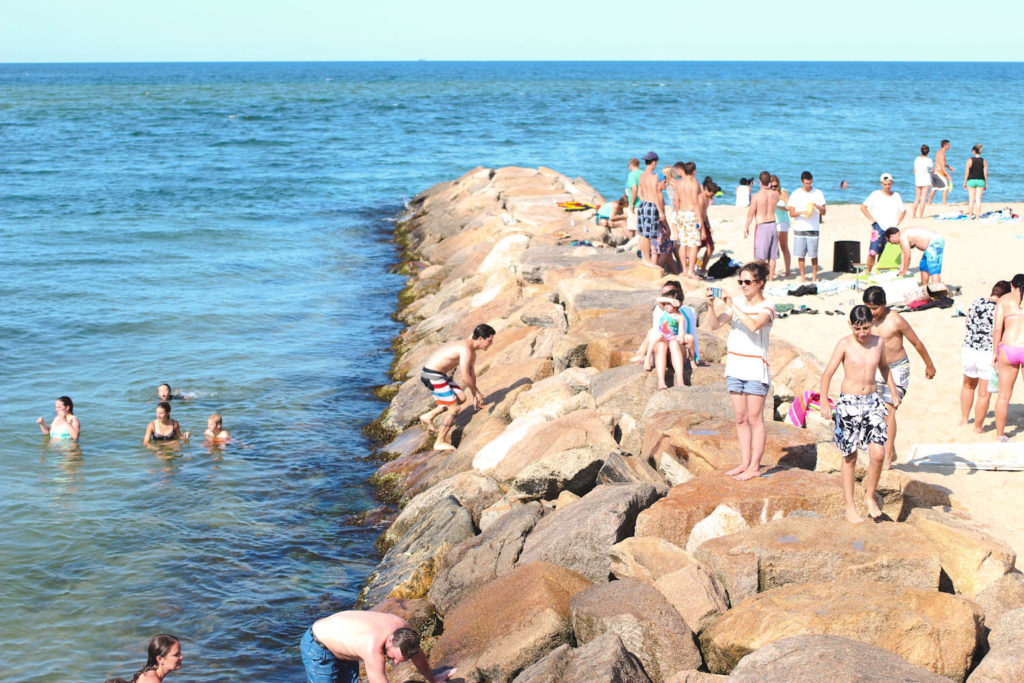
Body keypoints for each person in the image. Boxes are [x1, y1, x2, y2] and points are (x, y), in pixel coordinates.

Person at [819, 306, 899, 524]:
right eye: (857, 329)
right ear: (850, 325)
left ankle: (869, 496)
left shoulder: (878, 343)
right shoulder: (844, 344)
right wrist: (825, 401)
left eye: (865, 328)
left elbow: (884, 368)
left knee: (879, 453)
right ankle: (850, 506)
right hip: (849, 403)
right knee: (850, 456)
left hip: (872, 401)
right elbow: (827, 375)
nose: (862, 333)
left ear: (872, 324)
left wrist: (892, 391)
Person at [705, 261, 774, 481]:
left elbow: (754, 326)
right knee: (740, 418)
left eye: (747, 282)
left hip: (755, 368)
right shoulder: (738, 306)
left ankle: (754, 465)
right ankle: (745, 461)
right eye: (740, 281)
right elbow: (714, 326)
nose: (743, 285)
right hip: (735, 366)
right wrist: (710, 306)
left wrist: (734, 306)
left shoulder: (767, 307)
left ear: (760, 283)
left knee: (755, 418)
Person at [863, 286, 936, 467]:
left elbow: (916, 343)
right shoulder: (865, 319)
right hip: (877, 369)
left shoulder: (895, 320)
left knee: (889, 410)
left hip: (897, 368)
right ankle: (891, 449)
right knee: (876, 411)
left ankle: (886, 457)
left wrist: (929, 364)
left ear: (884, 304)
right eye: (868, 308)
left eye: (875, 308)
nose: (871, 313)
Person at [301, 610, 454, 683]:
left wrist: (433, 680)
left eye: (399, 660)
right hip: (319, 647)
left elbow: (418, 656)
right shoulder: (371, 647)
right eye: (393, 657)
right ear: (390, 640)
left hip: (344, 645)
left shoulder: (405, 631)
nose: (394, 663)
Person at [418, 324, 495, 451]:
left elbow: (471, 374)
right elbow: (464, 376)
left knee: (461, 397)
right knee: (454, 408)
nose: (491, 343)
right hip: (433, 375)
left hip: (439, 375)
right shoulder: (466, 349)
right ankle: (439, 442)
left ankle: (429, 416)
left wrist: (475, 394)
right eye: (489, 340)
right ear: (480, 339)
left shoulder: (471, 350)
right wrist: (476, 392)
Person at [961, 281, 1011, 432]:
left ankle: (964, 419)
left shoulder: (976, 301)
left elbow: (966, 323)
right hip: (987, 353)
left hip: (969, 349)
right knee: (983, 394)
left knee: (968, 385)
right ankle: (977, 427)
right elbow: (1000, 332)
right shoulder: (1000, 309)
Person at [993, 274, 1024, 442]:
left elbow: (997, 329)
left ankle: (1000, 434)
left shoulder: (1005, 299)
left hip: (1009, 348)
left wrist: (994, 353)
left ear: (1012, 286)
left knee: (1004, 395)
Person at [861, 173, 906, 274]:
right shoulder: (875, 194)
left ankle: (879, 271)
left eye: (889, 184)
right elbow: (863, 207)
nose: (887, 186)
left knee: (886, 252)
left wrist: (897, 223)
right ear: (881, 183)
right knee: (873, 251)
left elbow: (903, 211)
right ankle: (868, 271)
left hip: (891, 229)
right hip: (878, 227)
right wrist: (873, 220)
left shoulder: (896, 195)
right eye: (885, 184)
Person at [787, 171, 826, 282]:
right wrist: (802, 212)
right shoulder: (796, 194)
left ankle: (814, 276)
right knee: (801, 254)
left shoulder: (818, 193)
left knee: (813, 254)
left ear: (812, 181)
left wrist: (816, 206)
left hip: (813, 228)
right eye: (806, 184)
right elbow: (791, 213)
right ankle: (803, 276)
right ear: (802, 182)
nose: (808, 186)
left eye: (809, 183)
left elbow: (824, 212)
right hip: (800, 227)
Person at [651, 295, 696, 390]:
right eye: (665, 304)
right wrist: (670, 300)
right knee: (660, 344)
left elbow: (681, 333)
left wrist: (679, 337)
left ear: (676, 305)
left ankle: (680, 380)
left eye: (669, 304)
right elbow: (658, 300)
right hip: (663, 344)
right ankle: (661, 382)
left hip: (673, 345)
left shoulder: (680, 317)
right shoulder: (665, 311)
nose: (666, 306)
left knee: (673, 343)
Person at [743, 171, 780, 280]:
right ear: (769, 181)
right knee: (772, 257)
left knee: (760, 257)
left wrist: (746, 226)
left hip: (762, 225)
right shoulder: (775, 194)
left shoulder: (756, 196)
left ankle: (760, 277)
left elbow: (751, 213)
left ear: (759, 181)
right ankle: (771, 277)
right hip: (773, 224)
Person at [635, 151, 668, 269]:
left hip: (642, 205)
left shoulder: (641, 176)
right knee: (648, 235)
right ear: (654, 163)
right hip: (651, 206)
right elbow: (655, 195)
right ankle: (648, 260)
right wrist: (661, 212)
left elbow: (639, 193)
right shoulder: (654, 177)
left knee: (642, 233)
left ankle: (644, 258)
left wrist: (644, 201)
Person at [670, 161, 702, 277]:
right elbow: (695, 201)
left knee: (682, 243)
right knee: (693, 244)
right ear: (694, 171)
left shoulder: (678, 183)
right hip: (691, 214)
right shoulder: (693, 182)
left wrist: (677, 215)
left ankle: (684, 269)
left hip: (681, 214)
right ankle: (691, 271)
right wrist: (700, 219)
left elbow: (676, 201)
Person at [697, 179, 721, 274]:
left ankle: (702, 268)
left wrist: (709, 226)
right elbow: (699, 216)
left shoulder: (707, 199)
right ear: (707, 189)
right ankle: (690, 267)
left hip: (704, 224)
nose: (712, 196)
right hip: (699, 225)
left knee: (710, 247)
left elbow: (705, 214)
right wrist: (702, 230)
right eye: (711, 194)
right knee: (696, 248)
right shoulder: (700, 199)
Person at [771, 175, 792, 279]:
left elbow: (789, 207)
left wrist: (777, 206)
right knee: (772, 248)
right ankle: (771, 271)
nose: (774, 188)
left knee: (784, 246)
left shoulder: (782, 192)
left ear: (779, 184)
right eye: (772, 186)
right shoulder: (769, 193)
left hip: (782, 221)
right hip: (772, 221)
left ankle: (788, 270)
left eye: (775, 186)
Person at [964, 143, 988, 220]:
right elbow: (985, 173)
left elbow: (967, 173)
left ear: (974, 151)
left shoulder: (969, 160)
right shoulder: (983, 161)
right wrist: (986, 183)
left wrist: (964, 182)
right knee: (978, 200)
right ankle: (977, 217)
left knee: (971, 200)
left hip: (971, 181)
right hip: (980, 181)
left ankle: (970, 217)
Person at [930, 139, 955, 205]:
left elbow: (941, 163)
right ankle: (944, 203)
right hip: (940, 171)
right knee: (946, 187)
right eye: (949, 145)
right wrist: (948, 175)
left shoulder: (939, 152)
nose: (950, 146)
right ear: (945, 145)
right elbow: (942, 165)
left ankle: (929, 202)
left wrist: (949, 167)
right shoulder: (942, 154)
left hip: (935, 171)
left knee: (935, 187)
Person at [912, 144, 933, 218]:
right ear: (928, 152)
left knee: (917, 198)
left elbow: (914, 171)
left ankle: (913, 215)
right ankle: (920, 215)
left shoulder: (917, 159)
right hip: (926, 180)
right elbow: (930, 170)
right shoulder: (929, 160)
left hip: (918, 179)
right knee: (923, 198)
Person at [624, 158, 642, 237]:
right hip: (644, 203)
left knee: (635, 228)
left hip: (636, 204)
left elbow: (634, 189)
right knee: (641, 226)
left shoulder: (632, 175)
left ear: (630, 165)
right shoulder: (643, 173)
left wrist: (632, 203)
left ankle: (637, 247)